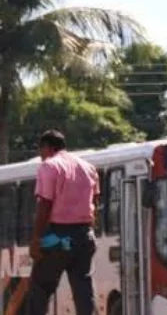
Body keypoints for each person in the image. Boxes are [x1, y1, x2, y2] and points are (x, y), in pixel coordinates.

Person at [26, 130, 99, 315]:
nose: (41, 156)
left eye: (40, 151)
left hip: (58, 235)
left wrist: (36, 240)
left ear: (47, 148)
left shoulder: (49, 166)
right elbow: (95, 200)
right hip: (84, 234)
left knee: (40, 287)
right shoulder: (88, 167)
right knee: (83, 287)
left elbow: (45, 204)